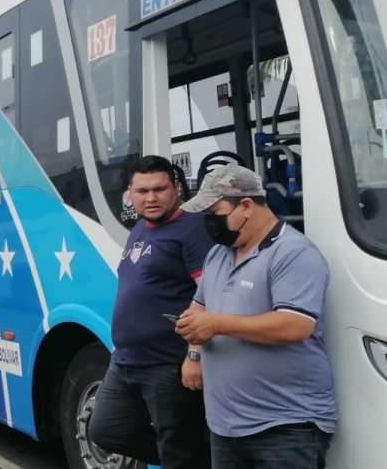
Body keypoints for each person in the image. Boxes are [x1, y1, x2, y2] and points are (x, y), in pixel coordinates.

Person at [175, 165, 338, 469]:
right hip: (226, 426)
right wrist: (194, 351)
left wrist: (216, 323)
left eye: (214, 212)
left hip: (284, 427)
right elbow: (200, 306)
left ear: (246, 206)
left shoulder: (293, 253)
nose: (209, 223)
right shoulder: (219, 253)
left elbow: (295, 325)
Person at [87, 155, 212, 469]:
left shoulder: (193, 229)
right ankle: (203, 460)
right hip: (126, 360)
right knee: (105, 431)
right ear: (130, 192)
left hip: (168, 364)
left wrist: (194, 354)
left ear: (177, 188)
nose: (151, 198)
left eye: (160, 189)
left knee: (178, 448)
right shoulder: (141, 228)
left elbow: (210, 296)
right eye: (142, 191)